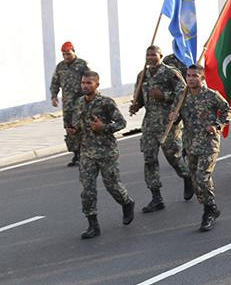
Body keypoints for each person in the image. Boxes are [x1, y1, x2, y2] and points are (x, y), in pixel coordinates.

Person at [69, 70, 134, 239]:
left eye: (89, 83)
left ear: (97, 84)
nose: (85, 86)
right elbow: (78, 124)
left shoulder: (106, 102)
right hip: (87, 153)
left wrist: (103, 127)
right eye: (83, 83)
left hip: (106, 152)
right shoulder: (79, 103)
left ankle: (126, 202)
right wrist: (74, 131)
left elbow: (121, 123)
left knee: (112, 186)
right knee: (87, 189)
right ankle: (92, 224)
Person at [129, 45, 193, 213]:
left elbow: (183, 94)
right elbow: (141, 97)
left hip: (168, 123)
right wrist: (136, 105)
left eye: (153, 55)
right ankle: (156, 197)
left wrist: (164, 96)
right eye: (147, 54)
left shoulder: (170, 73)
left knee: (174, 157)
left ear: (160, 56)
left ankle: (187, 177)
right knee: (149, 159)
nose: (150, 57)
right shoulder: (142, 75)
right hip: (149, 123)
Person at [168, 65, 231, 231]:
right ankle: (211, 206)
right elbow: (175, 116)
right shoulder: (182, 96)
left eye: (195, 75)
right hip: (190, 144)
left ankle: (208, 211)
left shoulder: (211, 95)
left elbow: (227, 110)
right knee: (196, 181)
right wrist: (173, 118)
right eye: (188, 75)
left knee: (203, 177)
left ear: (202, 78)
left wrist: (217, 125)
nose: (190, 78)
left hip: (209, 143)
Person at [50, 41, 90, 167]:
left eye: (68, 54)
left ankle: (86, 153)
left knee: (83, 126)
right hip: (67, 104)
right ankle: (76, 154)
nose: (66, 57)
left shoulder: (82, 64)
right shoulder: (60, 66)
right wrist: (54, 95)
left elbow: (91, 80)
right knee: (70, 128)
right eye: (64, 54)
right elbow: (55, 81)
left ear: (73, 51)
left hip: (81, 102)